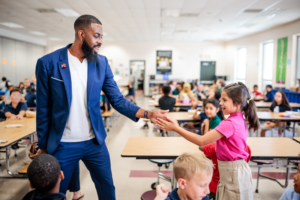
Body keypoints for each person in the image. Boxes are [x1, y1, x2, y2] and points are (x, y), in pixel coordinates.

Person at [33, 14, 168, 200]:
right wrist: (43, 146)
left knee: (107, 188)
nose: (100, 41)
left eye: (101, 37)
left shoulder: (101, 63)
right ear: (81, 34)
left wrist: (149, 113)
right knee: (54, 194)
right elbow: (43, 109)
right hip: (62, 143)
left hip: (94, 143)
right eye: (96, 36)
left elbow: (117, 100)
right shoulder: (48, 63)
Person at [157, 82, 259, 199]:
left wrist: (176, 128)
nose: (220, 103)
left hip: (232, 172)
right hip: (237, 170)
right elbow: (224, 145)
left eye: (224, 100)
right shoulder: (240, 119)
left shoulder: (229, 123)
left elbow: (201, 140)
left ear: (237, 102)